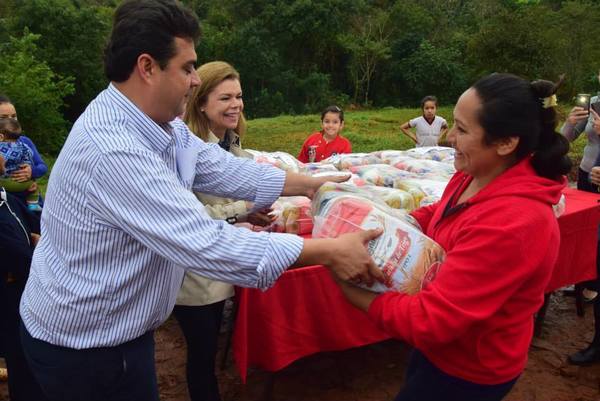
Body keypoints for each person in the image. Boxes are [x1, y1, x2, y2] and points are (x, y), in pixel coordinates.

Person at [18, 1, 383, 400]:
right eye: (188, 67)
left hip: (120, 332)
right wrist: (330, 251)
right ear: (147, 67)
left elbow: (220, 166)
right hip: (86, 347)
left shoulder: (160, 125)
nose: (195, 80)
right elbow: (205, 242)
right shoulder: (115, 151)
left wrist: (308, 185)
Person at [333, 73, 571, 401]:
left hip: (471, 369)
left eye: (462, 129)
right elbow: (443, 212)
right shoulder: (474, 174)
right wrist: (395, 223)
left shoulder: (515, 223)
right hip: (439, 352)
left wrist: (352, 292)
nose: (449, 139)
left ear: (506, 142)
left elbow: (430, 321)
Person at [174, 60, 273, 401]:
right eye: (225, 98)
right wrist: (243, 209)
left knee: (215, 346)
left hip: (224, 266)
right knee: (202, 356)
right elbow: (186, 217)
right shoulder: (184, 151)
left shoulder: (232, 144)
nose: (236, 105)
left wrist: (255, 212)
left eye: (239, 96)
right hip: (196, 277)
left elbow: (240, 196)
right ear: (201, 102)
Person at [0, 155, 47, 401]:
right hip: (10, 302)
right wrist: (40, 251)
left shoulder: (7, 198)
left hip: (23, 295)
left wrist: (32, 198)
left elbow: (35, 223)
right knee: (20, 361)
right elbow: (20, 259)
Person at [0, 95, 49, 182]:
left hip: (25, 191)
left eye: (14, 116)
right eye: (3, 118)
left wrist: (32, 172)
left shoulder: (25, 141)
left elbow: (42, 166)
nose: (11, 121)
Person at [0, 118, 42, 211]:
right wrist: (29, 171)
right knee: (33, 186)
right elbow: (29, 161)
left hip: (2, 182)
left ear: (1, 136)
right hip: (18, 182)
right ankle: (33, 205)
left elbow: (42, 167)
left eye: (13, 115)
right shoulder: (23, 147)